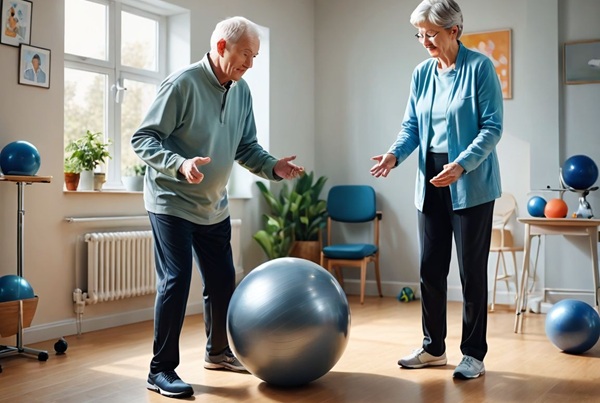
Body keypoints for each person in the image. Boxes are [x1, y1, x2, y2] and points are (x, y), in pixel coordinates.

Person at [132, 16, 304, 398]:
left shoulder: (241, 91)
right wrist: (179, 164)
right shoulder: (183, 84)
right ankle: (160, 370)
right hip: (171, 200)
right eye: (246, 54)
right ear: (222, 47)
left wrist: (273, 166)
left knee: (223, 279)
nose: (251, 64)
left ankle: (218, 351)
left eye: (256, 56)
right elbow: (143, 138)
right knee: (176, 281)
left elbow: (246, 148)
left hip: (213, 206)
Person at [370, 0, 503, 380]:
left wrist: (462, 164)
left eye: (430, 34)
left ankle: (473, 354)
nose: (424, 41)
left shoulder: (480, 68)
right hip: (429, 178)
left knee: (471, 272)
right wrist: (395, 155)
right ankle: (433, 348)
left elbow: (492, 127)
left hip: (471, 180)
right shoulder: (422, 73)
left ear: (454, 31)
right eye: (420, 34)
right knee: (430, 267)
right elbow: (411, 125)